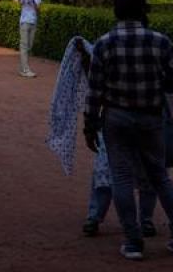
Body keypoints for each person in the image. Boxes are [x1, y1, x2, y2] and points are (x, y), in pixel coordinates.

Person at [84, 0, 173, 260]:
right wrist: (159, 86)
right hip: (150, 117)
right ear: (143, 10)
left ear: (117, 11)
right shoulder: (160, 41)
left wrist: (89, 125)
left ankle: (133, 242)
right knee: (159, 176)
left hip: (117, 117)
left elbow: (94, 90)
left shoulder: (105, 43)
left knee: (121, 178)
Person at [47, 36, 158, 241]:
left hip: (114, 121)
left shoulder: (110, 43)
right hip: (144, 121)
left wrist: (90, 126)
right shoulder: (154, 43)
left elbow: (96, 85)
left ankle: (99, 217)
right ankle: (142, 220)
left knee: (108, 171)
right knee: (145, 171)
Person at [17, 0, 41, 77]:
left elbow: (38, 9)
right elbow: (19, 1)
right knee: (24, 45)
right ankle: (25, 70)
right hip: (24, 22)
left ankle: (22, 67)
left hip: (33, 22)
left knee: (29, 46)